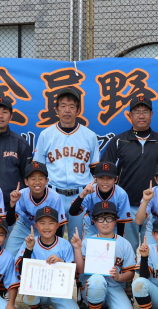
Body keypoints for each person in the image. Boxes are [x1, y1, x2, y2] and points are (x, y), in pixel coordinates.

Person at [101, 94, 158, 252]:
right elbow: (107, 175)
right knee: (126, 250)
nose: (141, 115)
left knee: (153, 250)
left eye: (145, 111)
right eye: (136, 112)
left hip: (155, 208)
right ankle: (124, 277)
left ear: (152, 115)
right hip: (127, 207)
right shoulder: (119, 141)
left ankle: (148, 277)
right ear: (130, 115)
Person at [33, 86, 100, 241]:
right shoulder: (46, 134)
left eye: (72, 106)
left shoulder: (89, 136)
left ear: (78, 110)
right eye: (63, 106)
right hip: (53, 194)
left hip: (81, 195)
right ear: (56, 110)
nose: (67, 110)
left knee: (79, 241)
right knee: (51, 240)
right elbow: (37, 168)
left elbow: (95, 170)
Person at [71, 201, 137, 309]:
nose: (105, 222)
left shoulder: (124, 244)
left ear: (116, 220)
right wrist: (78, 249)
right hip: (93, 287)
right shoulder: (88, 242)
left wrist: (118, 277)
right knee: (97, 279)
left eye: (109, 218)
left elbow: (131, 274)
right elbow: (81, 270)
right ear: (94, 221)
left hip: (115, 286)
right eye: (100, 218)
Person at [15, 207, 83, 309]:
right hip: (36, 291)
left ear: (57, 226)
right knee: (29, 294)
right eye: (42, 223)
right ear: (36, 225)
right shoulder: (30, 242)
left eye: (51, 223)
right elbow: (20, 270)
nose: (47, 227)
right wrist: (29, 250)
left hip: (58, 292)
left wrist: (61, 262)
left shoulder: (64, 244)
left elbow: (73, 275)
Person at [5, 162, 67, 255]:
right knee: (9, 255)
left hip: (45, 230)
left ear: (47, 181)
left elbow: (59, 225)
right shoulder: (21, 195)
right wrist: (12, 203)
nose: (37, 182)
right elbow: (10, 222)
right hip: (24, 227)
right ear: (26, 182)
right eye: (33, 179)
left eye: (41, 178)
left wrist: (55, 245)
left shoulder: (55, 198)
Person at [68, 162, 132, 238]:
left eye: (109, 178)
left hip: (113, 228)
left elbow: (121, 222)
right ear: (95, 178)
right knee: (88, 249)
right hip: (92, 227)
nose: (105, 182)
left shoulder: (121, 194)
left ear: (116, 179)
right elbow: (72, 212)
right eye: (101, 178)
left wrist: (118, 240)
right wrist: (83, 194)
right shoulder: (89, 191)